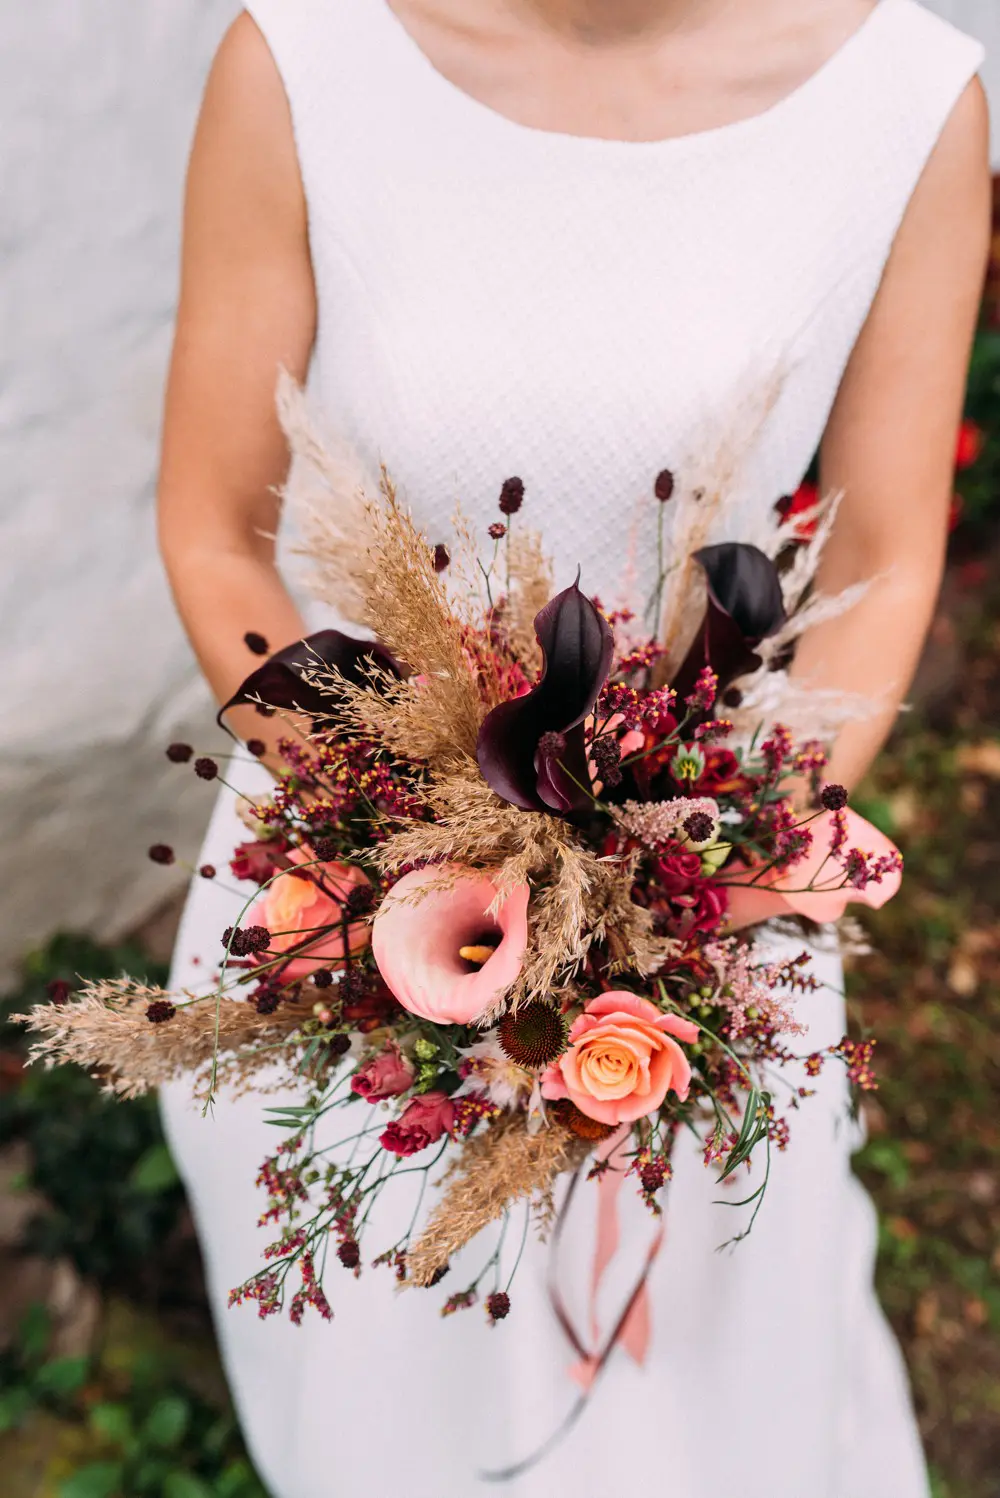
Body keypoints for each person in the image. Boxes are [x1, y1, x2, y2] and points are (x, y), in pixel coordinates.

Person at [156, 3, 990, 1495]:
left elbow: (885, 556)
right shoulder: (304, 57)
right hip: (349, 886)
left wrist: (703, 892)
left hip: (707, 887)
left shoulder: (912, 102)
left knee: (726, 1380)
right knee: (381, 1369)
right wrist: (391, 841)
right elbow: (215, 524)